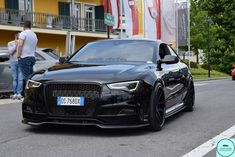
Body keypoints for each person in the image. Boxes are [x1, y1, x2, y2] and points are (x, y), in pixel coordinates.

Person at [17, 21, 38, 92]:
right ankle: (34, 93)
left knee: (27, 78)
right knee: (31, 78)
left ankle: (30, 95)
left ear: (24, 26)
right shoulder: (34, 34)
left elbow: (20, 45)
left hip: (24, 57)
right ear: (30, 26)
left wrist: (18, 55)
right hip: (32, 57)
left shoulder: (23, 33)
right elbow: (35, 47)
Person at [8, 32, 23, 99]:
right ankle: (15, 93)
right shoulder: (10, 43)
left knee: (20, 79)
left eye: (20, 36)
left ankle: (19, 93)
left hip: (20, 61)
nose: (19, 37)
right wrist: (16, 45)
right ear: (15, 36)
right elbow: (10, 52)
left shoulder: (22, 43)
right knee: (15, 78)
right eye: (18, 36)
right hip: (13, 62)